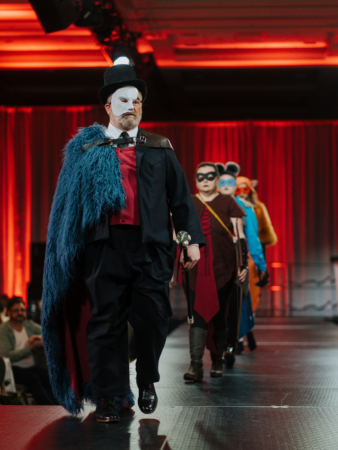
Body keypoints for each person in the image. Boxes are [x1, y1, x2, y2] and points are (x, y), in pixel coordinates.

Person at [42, 64, 205, 422]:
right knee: (106, 324)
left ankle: (146, 378)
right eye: (123, 100)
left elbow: (180, 200)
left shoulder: (160, 147)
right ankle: (110, 397)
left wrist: (191, 241)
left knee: (153, 318)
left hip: (151, 248)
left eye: (137, 100)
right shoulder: (87, 150)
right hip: (104, 248)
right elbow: (67, 206)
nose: (131, 105)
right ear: (108, 106)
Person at [183, 162, 247, 381]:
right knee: (196, 316)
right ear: (196, 180)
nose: (205, 180)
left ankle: (218, 361)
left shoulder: (227, 201)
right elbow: (178, 235)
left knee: (220, 315)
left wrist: (243, 264)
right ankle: (196, 365)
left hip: (223, 267)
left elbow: (239, 235)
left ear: (217, 179)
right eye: (201, 177)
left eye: (210, 176)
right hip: (194, 268)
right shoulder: (188, 201)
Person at [218, 162, 268, 353]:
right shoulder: (208, 205)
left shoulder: (245, 207)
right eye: (222, 182)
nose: (225, 186)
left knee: (238, 299)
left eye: (230, 182)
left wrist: (260, 265)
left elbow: (253, 239)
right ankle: (229, 340)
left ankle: (234, 338)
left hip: (238, 261)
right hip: (217, 262)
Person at [0, 297, 56, 405]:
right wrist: (29, 348)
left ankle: (57, 407)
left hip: (31, 366)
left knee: (48, 376)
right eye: (16, 310)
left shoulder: (28, 325)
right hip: (13, 369)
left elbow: (48, 333)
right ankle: (48, 407)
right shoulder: (3, 330)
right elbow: (7, 355)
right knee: (33, 379)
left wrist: (38, 338)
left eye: (22, 310)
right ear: (9, 312)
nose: (20, 313)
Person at [235, 176, 275, 313]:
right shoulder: (246, 207)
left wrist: (260, 263)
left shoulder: (256, 207)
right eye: (237, 189)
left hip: (250, 252)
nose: (241, 192)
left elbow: (257, 236)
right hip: (245, 253)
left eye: (245, 189)